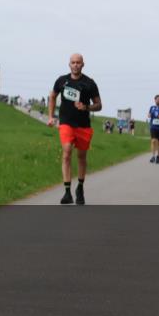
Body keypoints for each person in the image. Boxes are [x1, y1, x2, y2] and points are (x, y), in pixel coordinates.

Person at [47, 53, 102, 205]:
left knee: (81, 157)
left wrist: (86, 107)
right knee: (66, 152)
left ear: (83, 64)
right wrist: (51, 116)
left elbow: (99, 105)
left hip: (83, 125)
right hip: (66, 123)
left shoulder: (89, 83)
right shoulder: (62, 80)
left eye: (78, 62)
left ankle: (80, 187)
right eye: (73, 62)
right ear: (69, 64)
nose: (76, 65)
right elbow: (52, 96)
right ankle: (67, 192)